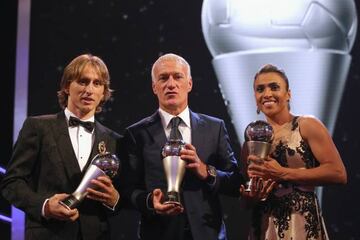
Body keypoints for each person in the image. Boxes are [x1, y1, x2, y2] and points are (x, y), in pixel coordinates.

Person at [119, 53, 244, 240]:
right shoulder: (136, 134)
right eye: (163, 78)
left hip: (208, 233)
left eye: (177, 76)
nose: (171, 84)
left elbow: (236, 182)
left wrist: (206, 171)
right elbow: (126, 189)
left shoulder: (214, 128)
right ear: (154, 87)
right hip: (159, 233)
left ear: (189, 84)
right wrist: (150, 202)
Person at [1, 53, 121, 239]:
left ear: (104, 92)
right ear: (66, 86)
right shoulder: (38, 127)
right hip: (48, 233)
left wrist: (114, 199)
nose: (89, 90)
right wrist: (45, 205)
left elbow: (123, 197)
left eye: (97, 83)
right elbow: (12, 182)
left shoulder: (114, 140)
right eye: (82, 81)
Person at [244, 64, 347, 240]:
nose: (267, 94)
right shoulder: (251, 137)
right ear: (255, 98)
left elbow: (338, 173)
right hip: (264, 227)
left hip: (300, 225)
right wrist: (251, 196)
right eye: (260, 89)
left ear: (288, 94)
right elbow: (246, 199)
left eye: (274, 87)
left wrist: (283, 173)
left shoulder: (307, 125)